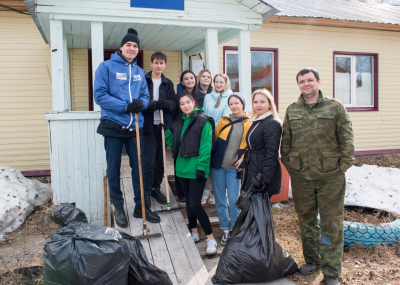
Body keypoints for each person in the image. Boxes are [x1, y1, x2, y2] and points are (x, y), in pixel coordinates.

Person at [281, 68, 355, 285]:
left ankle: (332, 271)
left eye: (310, 80)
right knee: (306, 219)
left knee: (331, 223)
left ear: (318, 82)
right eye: (302, 81)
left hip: (330, 175)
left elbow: (347, 137)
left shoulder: (335, 107)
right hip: (301, 175)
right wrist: (290, 164)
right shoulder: (292, 110)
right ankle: (312, 260)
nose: (306, 84)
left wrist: (343, 166)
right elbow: (286, 141)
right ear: (298, 85)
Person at [94, 28, 160, 227]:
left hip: (135, 127)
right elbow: (100, 96)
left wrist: (142, 104)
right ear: (121, 47)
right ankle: (118, 206)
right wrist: (124, 107)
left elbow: (146, 97)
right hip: (113, 124)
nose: (132, 48)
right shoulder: (105, 67)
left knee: (139, 168)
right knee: (113, 167)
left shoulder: (140, 72)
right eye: (128, 45)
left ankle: (141, 206)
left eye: (135, 46)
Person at [163, 91, 218, 255]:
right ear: (179, 107)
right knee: (188, 204)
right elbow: (176, 145)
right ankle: (194, 233)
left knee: (195, 204)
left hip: (196, 170)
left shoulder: (203, 120)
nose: (185, 106)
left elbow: (206, 147)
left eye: (188, 102)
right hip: (181, 169)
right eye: (182, 104)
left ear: (193, 102)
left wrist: (202, 167)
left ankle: (211, 239)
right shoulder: (179, 122)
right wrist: (167, 132)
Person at [210, 92, 250, 245]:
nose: (233, 106)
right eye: (231, 104)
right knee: (220, 199)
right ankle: (225, 229)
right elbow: (213, 139)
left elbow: (250, 145)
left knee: (234, 200)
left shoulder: (248, 122)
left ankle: (235, 230)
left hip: (235, 168)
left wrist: (243, 158)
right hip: (218, 167)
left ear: (242, 104)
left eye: (236, 103)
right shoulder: (224, 120)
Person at [142, 52, 175, 206]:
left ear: (165, 65)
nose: (159, 65)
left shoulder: (168, 83)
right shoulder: (144, 80)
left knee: (160, 162)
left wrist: (166, 104)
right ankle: (146, 190)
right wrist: (153, 105)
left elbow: (173, 104)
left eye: (162, 63)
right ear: (151, 64)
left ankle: (156, 188)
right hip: (147, 126)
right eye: (156, 62)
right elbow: (139, 102)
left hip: (162, 126)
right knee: (148, 161)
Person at [241, 88, 283, 201]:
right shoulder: (258, 120)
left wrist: (263, 180)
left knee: (259, 214)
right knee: (253, 212)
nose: (258, 105)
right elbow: (253, 146)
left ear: (269, 104)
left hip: (262, 174)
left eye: (262, 102)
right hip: (254, 169)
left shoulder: (272, 123)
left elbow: (272, 154)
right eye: (255, 102)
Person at [202, 73, 233, 205]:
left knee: (219, 163)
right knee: (208, 162)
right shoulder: (208, 97)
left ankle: (217, 191)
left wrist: (215, 130)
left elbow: (226, 117)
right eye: (216, 82)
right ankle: (206, 190)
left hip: (222, 135)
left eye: (222, 82)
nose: (219, 84)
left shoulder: (231, 97)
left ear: (226, 83)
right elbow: (204, 113)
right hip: (208, 133)